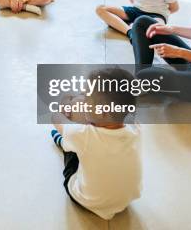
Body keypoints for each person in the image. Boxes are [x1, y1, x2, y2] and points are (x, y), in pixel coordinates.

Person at [50, 68, 142, 220]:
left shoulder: (83, 136)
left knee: (73, 151)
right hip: (126, 200)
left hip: (88, 200)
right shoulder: (136, 129)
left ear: (102, 112)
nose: (82, 100)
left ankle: (62, 142)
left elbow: (55, 117)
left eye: (86, 98)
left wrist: (64, 104)